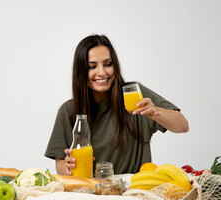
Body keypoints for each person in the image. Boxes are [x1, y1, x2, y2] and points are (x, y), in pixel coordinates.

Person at [44, 34, 189, 176]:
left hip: (133, 192)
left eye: (108, 64)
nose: (102, 72)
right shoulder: (69, 110)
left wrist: (156, 112)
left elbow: (182, 126)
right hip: (90, 193)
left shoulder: (134, 95)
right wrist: (68, 166)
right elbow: (60, 163)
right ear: (81, 71)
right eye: (92, 66)